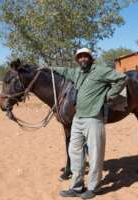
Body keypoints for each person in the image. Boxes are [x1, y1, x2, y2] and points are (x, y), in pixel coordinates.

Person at [54, 48, 127, 199]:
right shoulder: (77, 72)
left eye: (85, 56)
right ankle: (77, 187)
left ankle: (94, 187)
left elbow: (122, 78)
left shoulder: (100, 70)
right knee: (75, 154)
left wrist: (111, 94)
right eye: (80, 57)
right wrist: (48, 68)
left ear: (90, 58)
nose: (82, 59)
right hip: (78, 119)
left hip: (94, 119)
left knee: (95, 155)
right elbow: (65, 71)